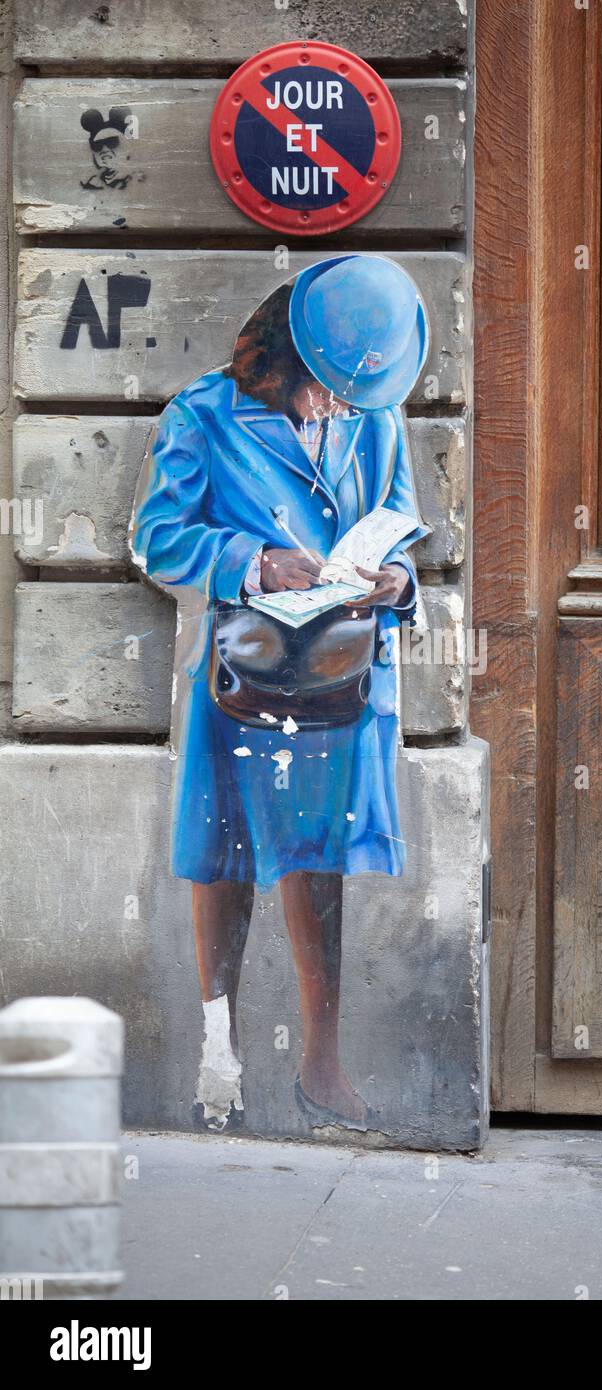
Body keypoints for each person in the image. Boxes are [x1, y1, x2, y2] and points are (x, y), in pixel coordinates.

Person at [130, 255, 429, 1131]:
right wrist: (253, 564)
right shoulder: (201, 415)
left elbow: (403, 522)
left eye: (353, 396)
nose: (340, 408)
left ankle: (323, 1065)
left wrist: (395, 583)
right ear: (280, 362)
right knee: (224, 857)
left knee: (320, 860)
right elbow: (155, 540)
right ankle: (217, 1051)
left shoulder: (375, 415)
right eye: (324, 390)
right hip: (241, 675)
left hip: (341, 675)